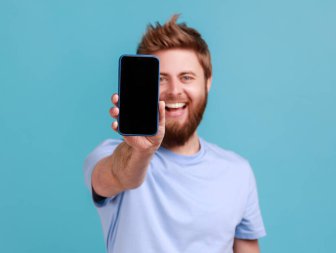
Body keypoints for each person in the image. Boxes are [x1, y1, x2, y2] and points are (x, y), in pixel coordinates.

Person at [83, 14, 266, 253]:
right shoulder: (110, 155)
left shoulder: (238, 172)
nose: (174, 91)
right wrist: (142, 150)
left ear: (207, 82)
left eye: (186, 77)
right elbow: (121, 175)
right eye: (160, 79)